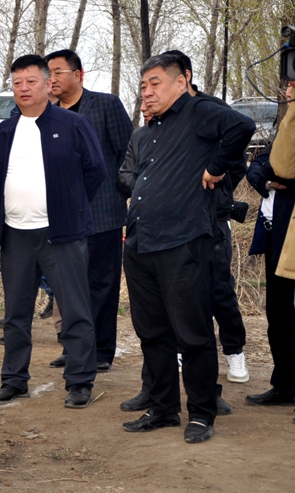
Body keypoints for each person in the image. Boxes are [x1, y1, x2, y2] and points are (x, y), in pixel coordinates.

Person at [120, 53, 253, 444]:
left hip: (183, 243)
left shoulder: (198, 112)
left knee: (193, 334)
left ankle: (201, 413)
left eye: (155, 83)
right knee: (152, 333)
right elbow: (131, 178)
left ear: (182, 81)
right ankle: (163, 408)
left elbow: (242, 126)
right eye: (143, 86)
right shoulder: (148, 132)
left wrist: (217, 167)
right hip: (141, 244)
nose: (147, 92)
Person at [0, 54, 105, 409]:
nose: (23, 88)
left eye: (31, 81)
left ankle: (80, 381)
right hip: (16, 234)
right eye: (17, 83)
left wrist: (70, 206)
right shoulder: (4, 131)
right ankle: (13, 380)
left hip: (61, 234)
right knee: (16, 313)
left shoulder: (72, 124)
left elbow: (95, 170)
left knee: (74, 309)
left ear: (46, 84)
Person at [42, 49, 133, 372]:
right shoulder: (48, 113)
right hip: (63, 215)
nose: (51, 79)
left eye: (58, 72)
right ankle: (74, 349)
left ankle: (101, 351)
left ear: (78, 75)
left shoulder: (106, 105)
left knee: (102, 285)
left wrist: (121, 195)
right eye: (48, 73)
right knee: (67, 286)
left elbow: (127, 154)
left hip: (103, 212)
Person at [247, 81, 295, 409]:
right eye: (288, 85)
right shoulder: (285, 125)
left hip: (291, 234)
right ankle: (285, 385)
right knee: (278, 313)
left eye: (293, 85)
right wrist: (266, 177)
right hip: (274, 234)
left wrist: (271, 172)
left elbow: (282, 168)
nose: (288, 91)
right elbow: (258, 166)